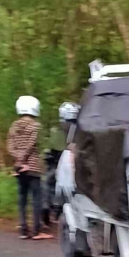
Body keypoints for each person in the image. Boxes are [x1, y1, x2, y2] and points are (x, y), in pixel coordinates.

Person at [7, 95, 52, 241]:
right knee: (36, 198)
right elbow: (32, 144)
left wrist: (19, 161)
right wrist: (25, 160)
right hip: (32, 166)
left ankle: (23, 229)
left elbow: (9, 146)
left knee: (22, 198)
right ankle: (37, 230)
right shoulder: (35, 126)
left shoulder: (13, 125)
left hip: (18, 167)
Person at [43, 102, 80, 225]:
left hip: (61, 163)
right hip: (76, 163)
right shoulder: (81, 128)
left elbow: (54, 148)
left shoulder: (60, 128)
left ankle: (50, 208)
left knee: (48, 183)